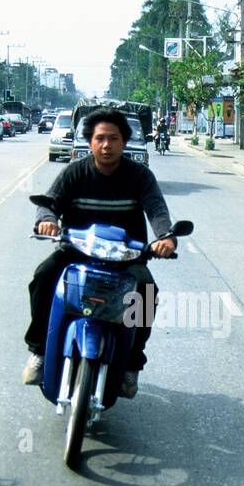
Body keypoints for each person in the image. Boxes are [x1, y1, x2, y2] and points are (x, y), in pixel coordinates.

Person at [23, 107, 176, 398]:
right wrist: (47, 220)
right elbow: (49, 203)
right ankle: (39, 351)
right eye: (100, 138)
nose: (107, 145)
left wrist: (165, 237)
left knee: (146, 293)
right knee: (43, 276)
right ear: (90, 142)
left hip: (127, 257)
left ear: (124, 142)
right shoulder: (74, 172)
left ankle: (131, 365)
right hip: (75, 252)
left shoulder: (140, 176)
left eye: (114, 139)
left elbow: (156, 208)